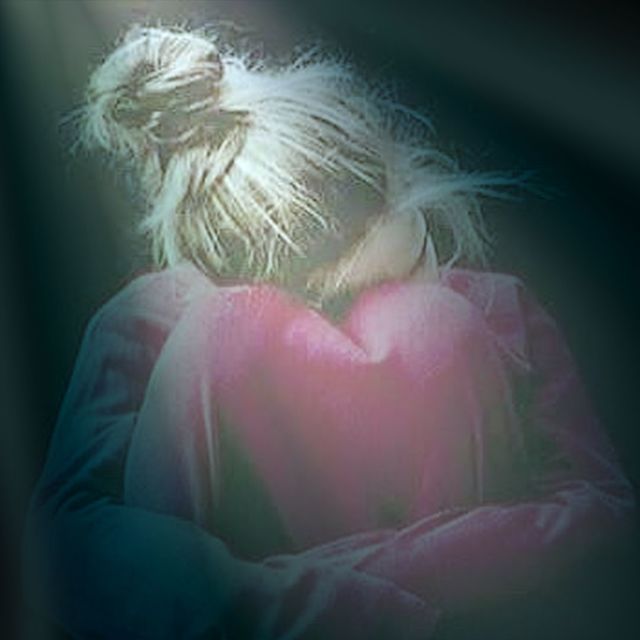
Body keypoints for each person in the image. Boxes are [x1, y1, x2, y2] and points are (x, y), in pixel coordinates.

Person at [25, 25, 635, 639]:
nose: (323, 304)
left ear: (384, 198)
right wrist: (357, 605)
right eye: (294, 280)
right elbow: (67, 547)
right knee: (225, 329)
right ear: (211, 260)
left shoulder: (489, 305)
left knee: (436, 323)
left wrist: (315, 584)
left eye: (350, 266)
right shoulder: (151, 323)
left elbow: (606, 513)